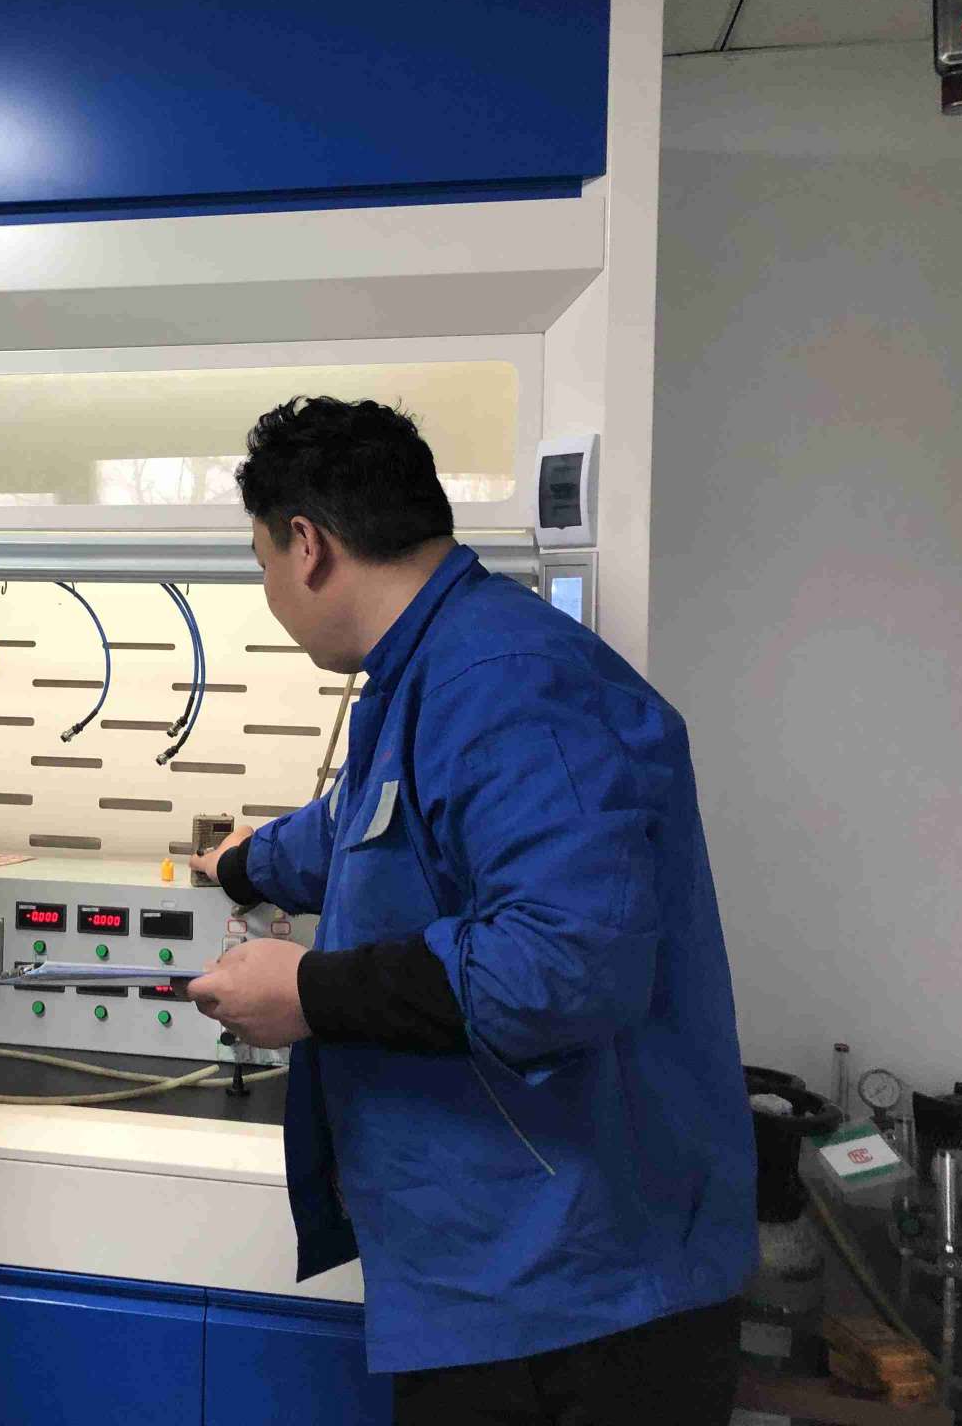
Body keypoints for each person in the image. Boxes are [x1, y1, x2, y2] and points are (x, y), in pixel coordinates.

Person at [184, 398, 754, 1425]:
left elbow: (562, 967)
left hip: (578, 1300)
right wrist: (244, 863)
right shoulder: (432, 671)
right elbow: (368, 826)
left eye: (262, 562)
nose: (270, 590)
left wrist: (310, 992)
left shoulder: (509, 681)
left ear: (307, 545)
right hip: (501, 1272)